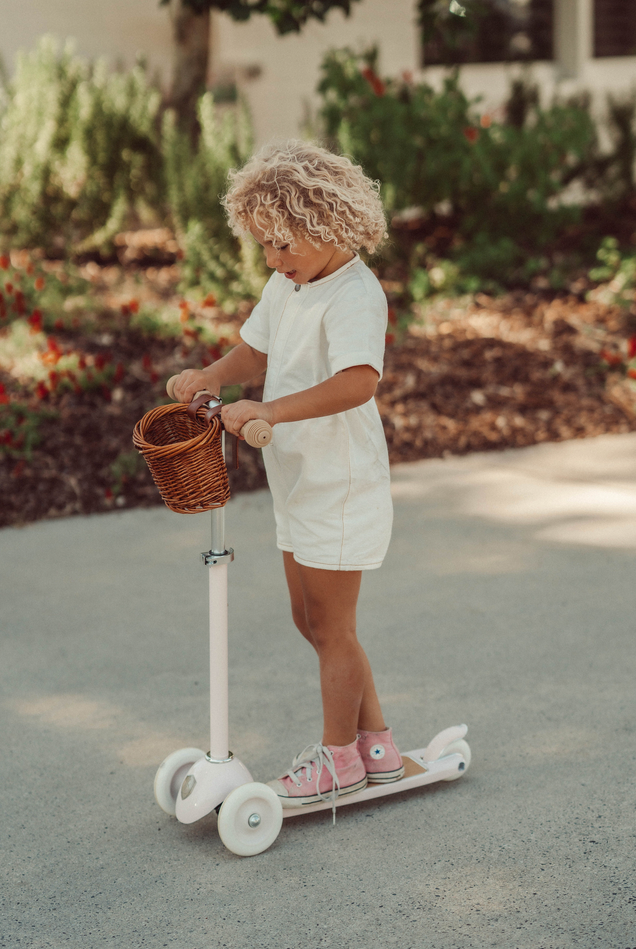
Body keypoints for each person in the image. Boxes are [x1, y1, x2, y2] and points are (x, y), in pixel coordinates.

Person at [171, 140, 403, 813]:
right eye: (265, 248)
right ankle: (376, 744)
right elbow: (257, 346)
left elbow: (357, 381)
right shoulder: (288, 284)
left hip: (340, 480)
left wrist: (268, 407)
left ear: (327, 224)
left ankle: (339, 763)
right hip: (297, 476)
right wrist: (215, 376)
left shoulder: (355, 294)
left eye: (281, 245)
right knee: (312, 621)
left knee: (333, 625)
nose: (273, 260)